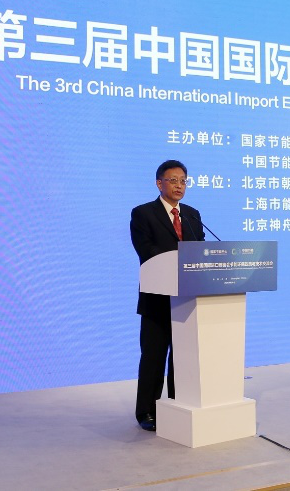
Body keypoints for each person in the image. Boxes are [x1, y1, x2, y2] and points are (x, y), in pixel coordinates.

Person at [130, 159, 205, 432]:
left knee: (182, 357)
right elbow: (146, 251)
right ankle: (147, 411)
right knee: (154, 357)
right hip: (157, 298)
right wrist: (178, 261)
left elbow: (200, 252)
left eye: (183, 181)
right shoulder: (143, 213)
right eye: (173, 180)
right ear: (159, 183)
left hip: (187, 299)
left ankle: (177, 404)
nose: (179, 185)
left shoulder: (192, 215)